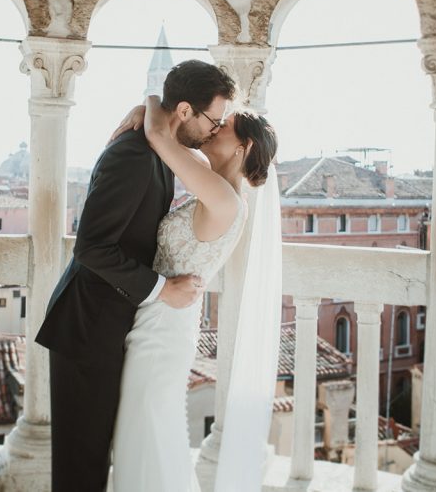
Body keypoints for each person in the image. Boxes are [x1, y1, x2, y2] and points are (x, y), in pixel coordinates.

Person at [35, 60, 236, 492]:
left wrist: (147, 110)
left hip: (117, 325)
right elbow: (91, 248)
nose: (214, 131)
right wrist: (164, 290)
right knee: (81, 465)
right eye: (212, 121)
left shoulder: (160, 145)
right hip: (87, 328)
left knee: (106, 455)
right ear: (184, 111)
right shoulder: (134, 153)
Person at [109, 96, 278, 491]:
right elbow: (171, 139)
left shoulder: (224, 198)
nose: (213, 128)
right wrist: (149, 115)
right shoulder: (219, 186)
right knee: (149, 432)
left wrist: (151, 104)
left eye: (224, 127)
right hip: (160, 320)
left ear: (244, 148)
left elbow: (157, 134)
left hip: (162, 331)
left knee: (146, 432)